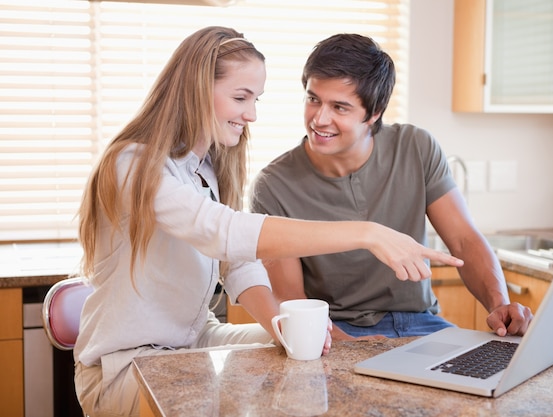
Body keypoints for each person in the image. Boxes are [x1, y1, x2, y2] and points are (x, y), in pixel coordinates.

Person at [73, 27, 463, 417]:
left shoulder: (205, 170)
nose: (252, 114)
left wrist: (281, 326)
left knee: (306, 351)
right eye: (241, 98)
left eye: (255, 99)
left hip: (191, 340)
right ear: (194, 89)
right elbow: (222, 233)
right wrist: (366, 233)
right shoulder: (134, 164)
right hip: (125, 363)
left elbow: (239, 263)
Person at [250, 33, 533, 342]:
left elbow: (464, 240)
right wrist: (355, 348)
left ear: (374, 113)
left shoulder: (416, 147)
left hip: (423, 324)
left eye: (339, 107)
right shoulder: (273, 186)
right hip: (339, 332)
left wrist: (500, 304)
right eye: (313, 99)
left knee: (501, 374)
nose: (319, 118)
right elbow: (292, 301)